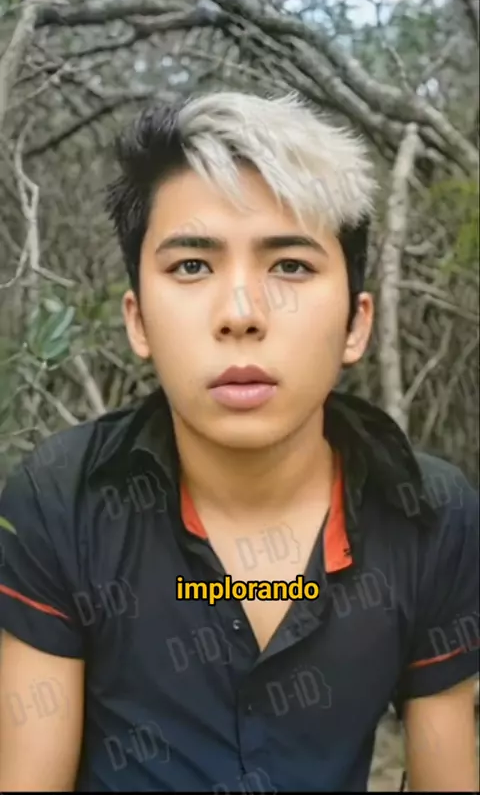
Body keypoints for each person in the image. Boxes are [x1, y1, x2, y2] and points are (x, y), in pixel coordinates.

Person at [0, 91, 478, 793]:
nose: (241, 314)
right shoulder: (59, 501)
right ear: (138, 321)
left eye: (291, 266)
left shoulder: (431, 514)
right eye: (192, 266)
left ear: (355, 324)